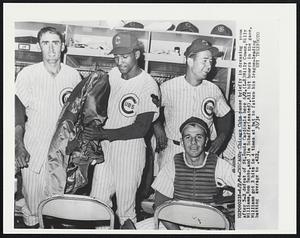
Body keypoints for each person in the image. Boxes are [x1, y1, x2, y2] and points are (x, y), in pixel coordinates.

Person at [82, 32, 160, 228]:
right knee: (98, 204)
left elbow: (140, 128)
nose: (119, 61)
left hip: (130, 151)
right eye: (116, 56)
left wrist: (102, 134)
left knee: (125, 209)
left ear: (137, 54)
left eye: (125, 56)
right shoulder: (113, 75)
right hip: (106, 149)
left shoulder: (148, 84)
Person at [15, 26, 81, 227]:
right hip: (34, 149)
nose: (51, 49)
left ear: (63, 46)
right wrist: (18, 144)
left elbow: (78, 116)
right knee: (34, 209)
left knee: (57, 209)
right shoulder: (28, 74)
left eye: (55, 43)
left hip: (62, 154)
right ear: (39, 46)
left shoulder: (73, 75)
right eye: (46, 43)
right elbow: (16, 111)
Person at [136, 117, 235, 230]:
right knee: (131, 229)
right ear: (182, 142)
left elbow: (245, 184)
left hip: (208, 225)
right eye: (188, 137)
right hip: (177, 224)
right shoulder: (173, 165)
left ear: (206, 141)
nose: (193, 142)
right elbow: (160, 206)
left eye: (199, 137)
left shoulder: (218, 164)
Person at [153, 38, 233, 169]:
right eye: (205, 61)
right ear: (190, 61)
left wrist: (221, 137)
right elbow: (150, 109)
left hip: (203, 151)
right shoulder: (168, 87)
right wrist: (157, 127)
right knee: (167, 189)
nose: (209, 66)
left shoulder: (213, 90)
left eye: (211, 61)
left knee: (201, 189)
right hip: (173, 149)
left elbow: (226, 114)